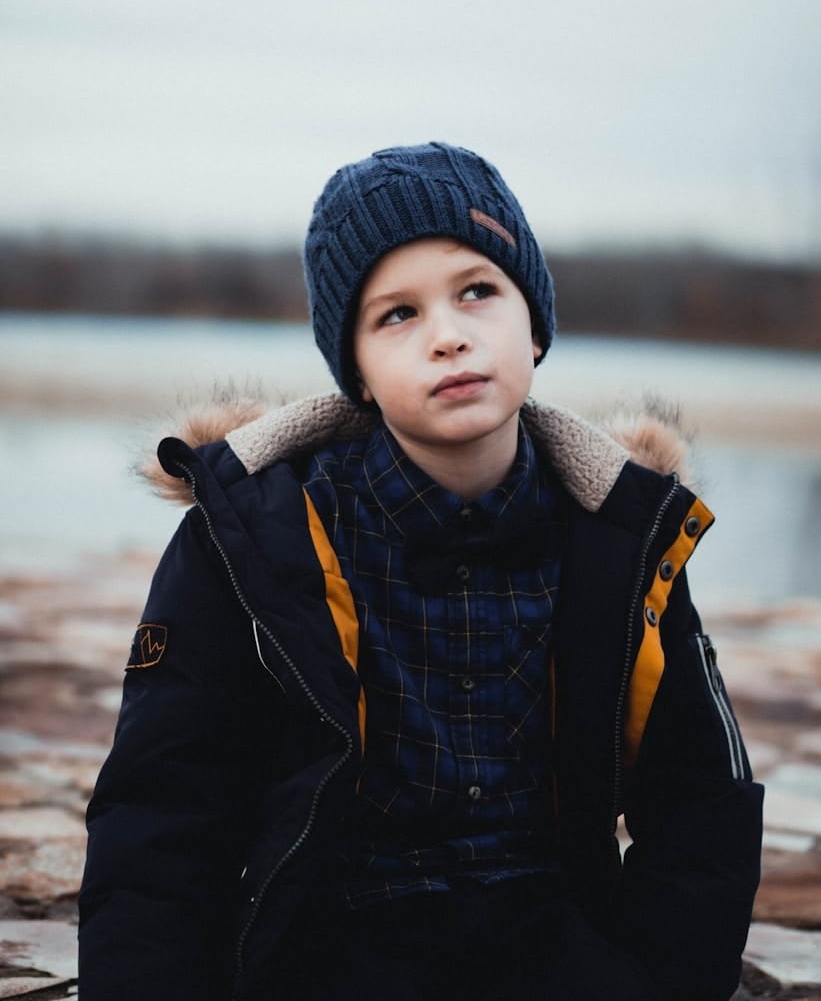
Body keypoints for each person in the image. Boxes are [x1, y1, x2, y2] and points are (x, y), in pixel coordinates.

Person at [78, 142, 763, 1001]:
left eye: (478, 290)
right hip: (326, 955)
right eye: (395, 315)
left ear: (534, 322)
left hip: (555, 952)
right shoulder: (253, 538)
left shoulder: (621, 537)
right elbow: (161, 814)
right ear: (355, 371)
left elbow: (701, 805)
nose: (447, 336)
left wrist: (649, 981)